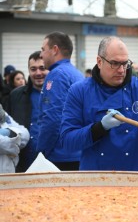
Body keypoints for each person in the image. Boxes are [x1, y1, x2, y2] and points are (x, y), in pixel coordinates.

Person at [60, 36, 138, 171]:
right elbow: (67, 141)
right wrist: (100, 128)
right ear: (99, 61)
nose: (121, 70)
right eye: (114, 63)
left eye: (125, 64)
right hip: (96, 177)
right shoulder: (79, 91)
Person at [37, 31, 84, 171]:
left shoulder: (57, 75)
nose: (41, 55)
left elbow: (53, 118)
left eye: (43, 49)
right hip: (76, 152)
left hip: (60, 156)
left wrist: (41, 150)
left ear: (55, 50)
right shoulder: (76, 73)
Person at [7, 51, 48, 172]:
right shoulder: (15, 96)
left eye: (42, 68)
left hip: (52, 160)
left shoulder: (60, 94)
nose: (38, 73)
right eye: (33, 69)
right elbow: (8, 126)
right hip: (23, 162)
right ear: (28, 71)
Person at [0, 104, 30, 173]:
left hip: (9, 174)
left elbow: (25, 135)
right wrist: (15, 143)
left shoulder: (2, 114)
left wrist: (10, 132)